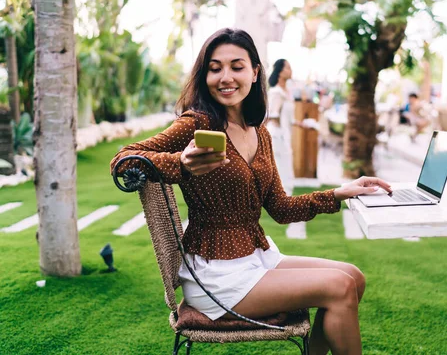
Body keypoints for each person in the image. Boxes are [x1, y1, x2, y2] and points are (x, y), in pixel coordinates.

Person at [110, 28, 391, 355]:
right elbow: (124, 160)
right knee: (340, 286)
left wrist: (341, 192)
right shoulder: (197, 123)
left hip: (255, 258)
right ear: (204, 76)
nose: (225, 77)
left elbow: (282, 209)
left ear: (255, 72)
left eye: (236, 66)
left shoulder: (260, 132)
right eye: (215, 68)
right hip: (215, 276)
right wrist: (181, 163)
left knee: (353, 277)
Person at [267, 58, 295, 196]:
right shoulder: (276, 92)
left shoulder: (287, 92)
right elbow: (272, 114)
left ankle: (288, 206)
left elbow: (288, 118)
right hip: (278, 136)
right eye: (288, 67)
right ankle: (286, 206)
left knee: (286, 169)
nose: (291, 71)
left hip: (285, 134)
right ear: (280, 71)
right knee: (283, 170)